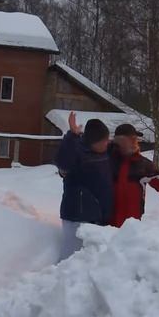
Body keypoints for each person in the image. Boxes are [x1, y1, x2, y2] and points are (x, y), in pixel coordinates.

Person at [55, 112, 113, 261]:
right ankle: (57, 282)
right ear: (94, 142)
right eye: (104, 140)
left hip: (96, 216)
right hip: (77, 216)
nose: (107, 143)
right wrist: (72, 136)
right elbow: (62, 162)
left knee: (89, 261)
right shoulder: (77, 151)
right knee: (70, 259)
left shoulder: (105, 153)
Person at [109, 124, 159, 228]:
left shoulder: (143, 165)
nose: (135, 142)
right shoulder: (106, 161)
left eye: (135, 139)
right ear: (119, 141)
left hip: (131, 230)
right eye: (131, 139)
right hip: (105, 230)